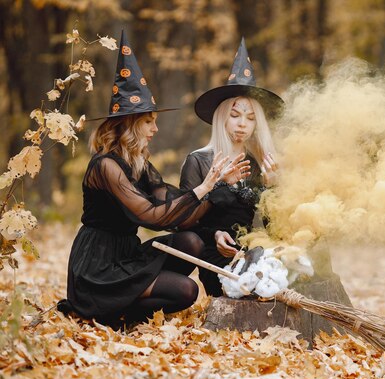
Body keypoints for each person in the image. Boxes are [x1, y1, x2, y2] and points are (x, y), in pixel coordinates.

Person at [57, 31, 250, 327]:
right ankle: (108, 314)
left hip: (127, 252)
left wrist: (218, 186)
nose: (155, 129)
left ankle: (120, 311)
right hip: (98, 265)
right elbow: (151, 216)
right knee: (187, 290)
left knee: (191, 241)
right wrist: (205, 186)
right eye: (149, 121)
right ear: (129, 123)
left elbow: (175, 212)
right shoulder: (105, 166)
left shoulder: (141, 163)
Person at [180, 38, 284, 296]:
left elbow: (270, 229)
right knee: (242, 290)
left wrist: (273, 189)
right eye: (235, 115)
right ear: (222, 117)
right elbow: (184, 222)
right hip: (213, 256)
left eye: (250, 118)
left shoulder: (258, 164)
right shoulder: (199, 161)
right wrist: (215, 234)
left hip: (254, 254)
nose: (242, 124)